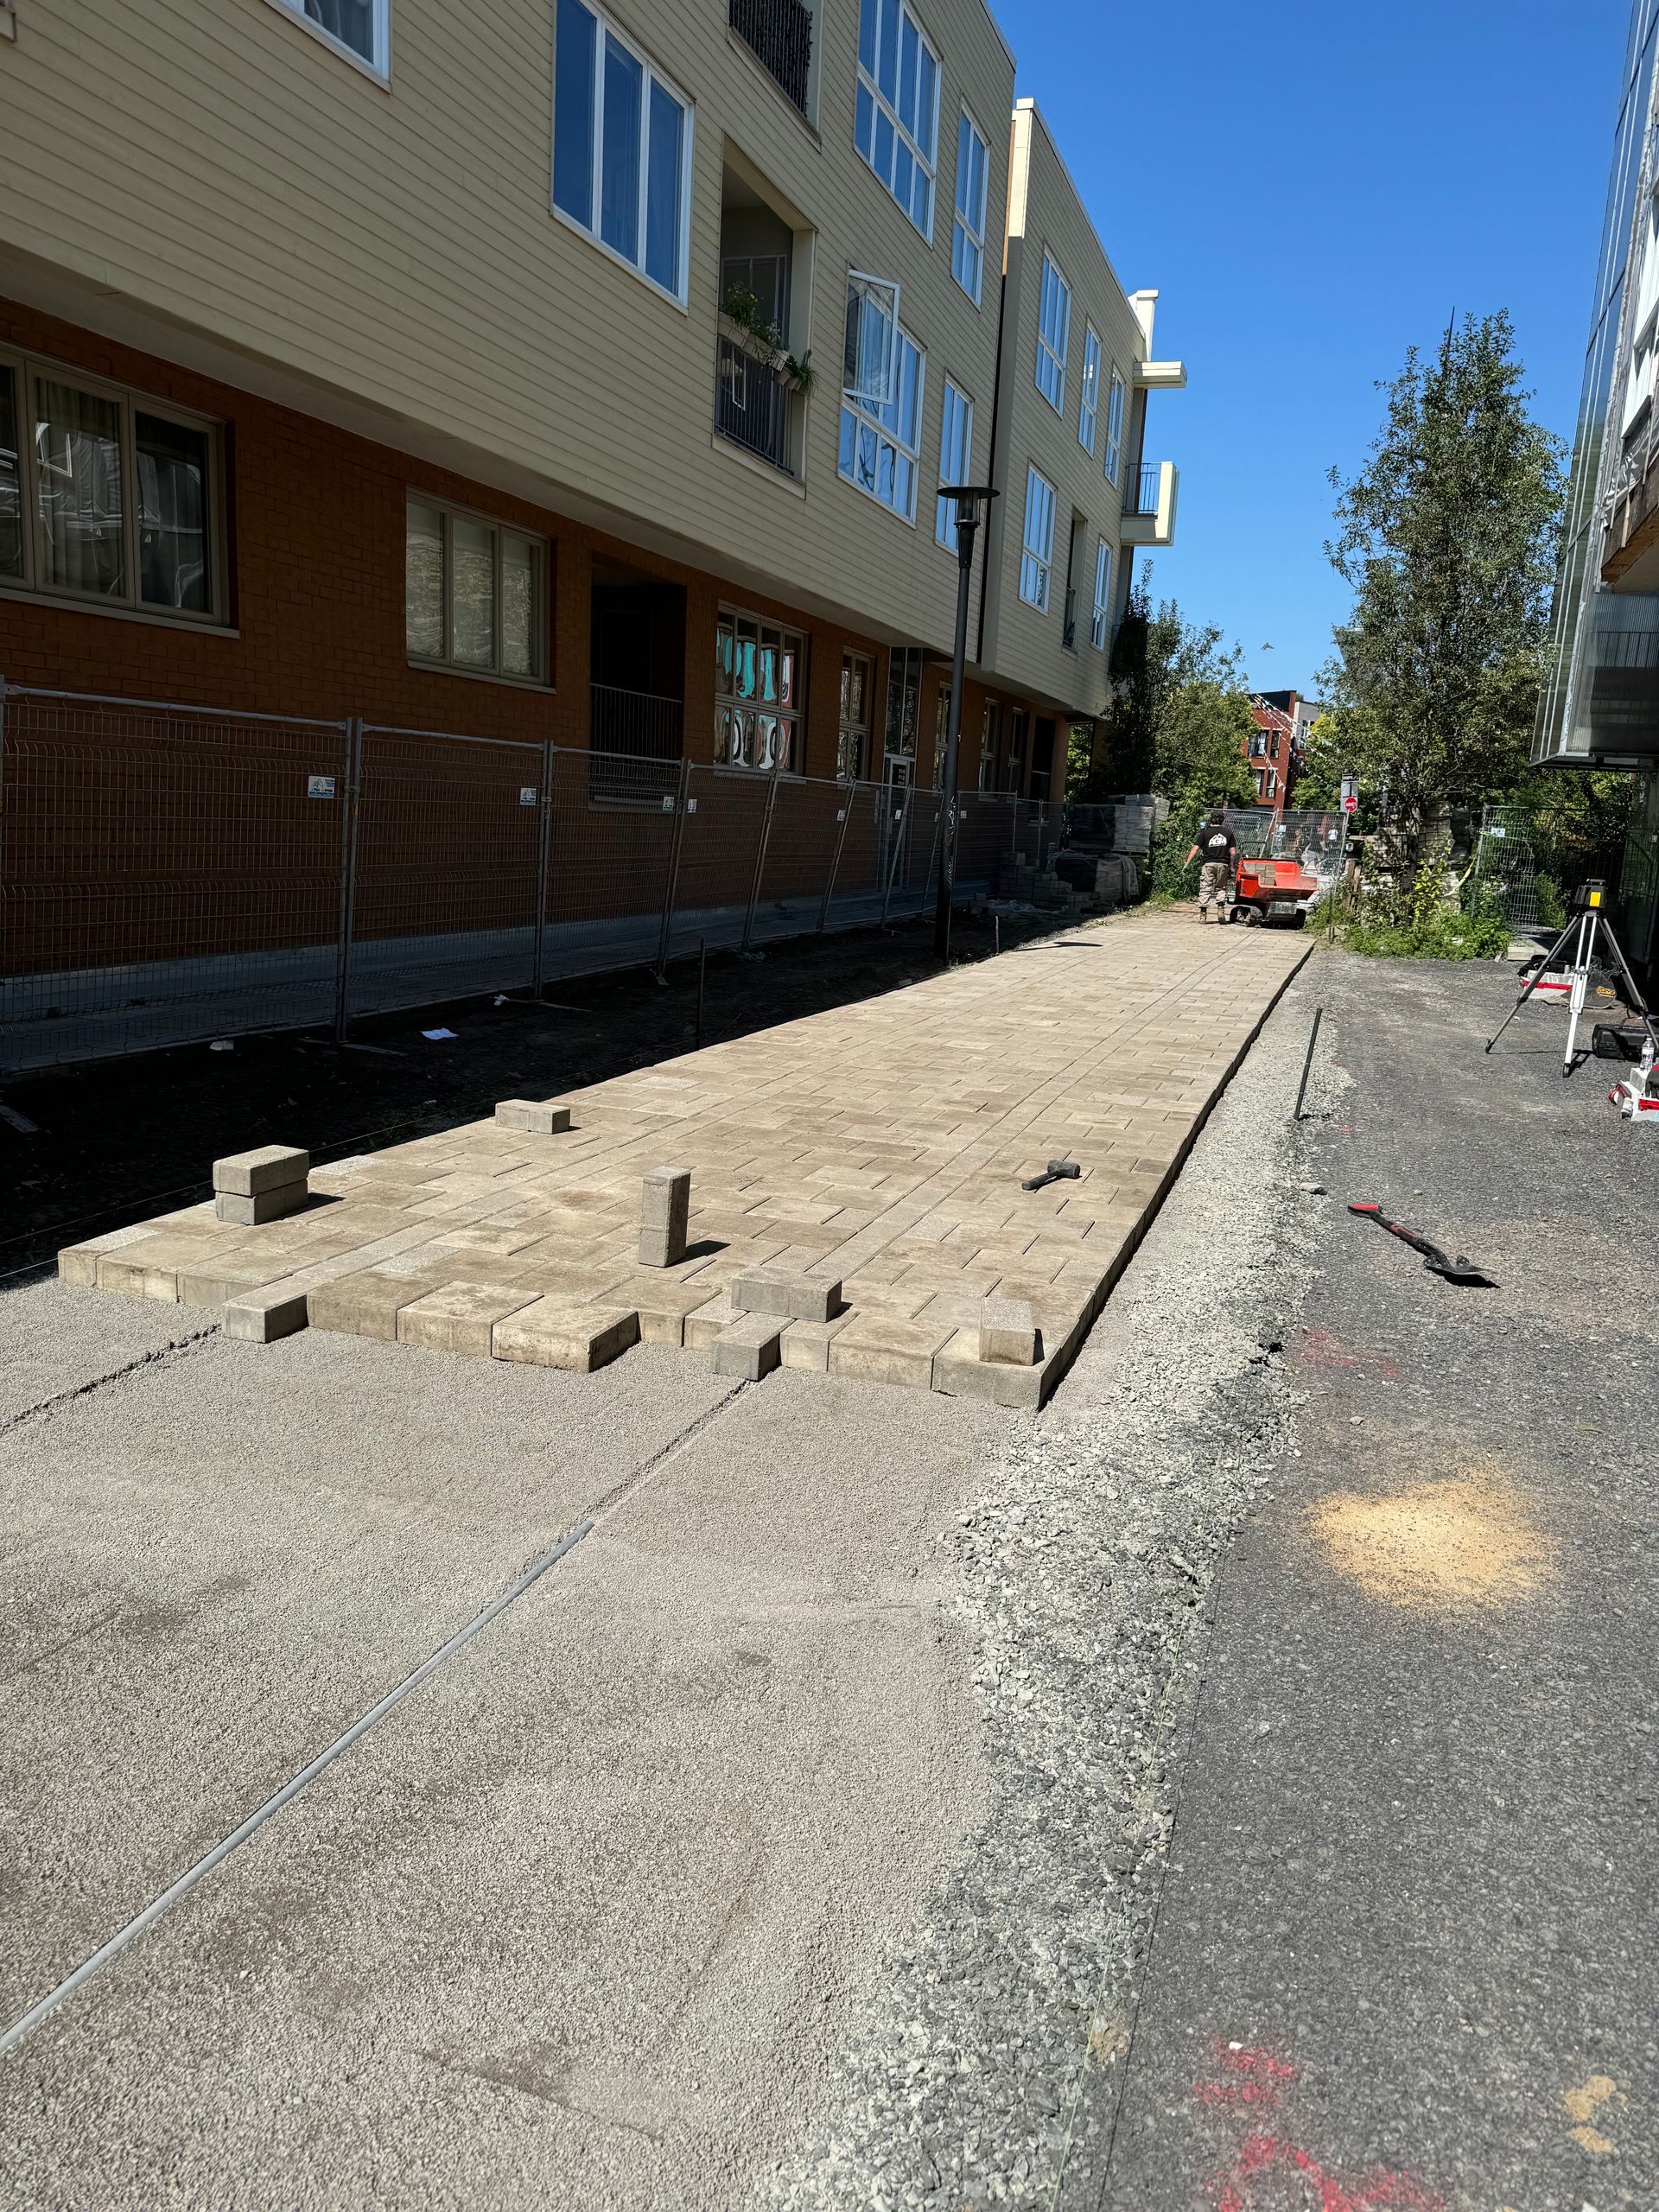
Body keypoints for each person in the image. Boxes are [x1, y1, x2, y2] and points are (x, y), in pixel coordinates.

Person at [1185, 808, 1237, 924]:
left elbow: (1195, 849)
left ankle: (1203, 915)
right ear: (1222, 820)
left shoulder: (1205, 833)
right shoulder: (1228, 832)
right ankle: (1221, 911)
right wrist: (1232, 866)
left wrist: (1187, 863)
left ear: (1211, 819)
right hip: (1223, 864)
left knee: (1205, 888)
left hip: (1208, 864)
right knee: (1221, 888)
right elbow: (1233, 852)